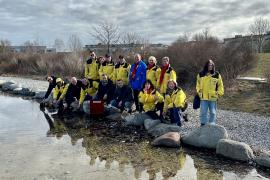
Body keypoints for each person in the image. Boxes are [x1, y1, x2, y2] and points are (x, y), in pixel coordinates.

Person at [196, 59, 224, 126]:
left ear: (213, 66)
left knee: (213, 112)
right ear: (206, 65)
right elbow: (198, 84)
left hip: (213, 97)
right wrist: (199, 91)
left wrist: (219, 93)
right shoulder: (201, 74)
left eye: (211, 65)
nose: (210, 66)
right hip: (203, 97)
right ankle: (203, 124)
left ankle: (212, 124)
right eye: (209, 65)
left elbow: (220, 85)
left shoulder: (217, 74)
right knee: (203, 112)